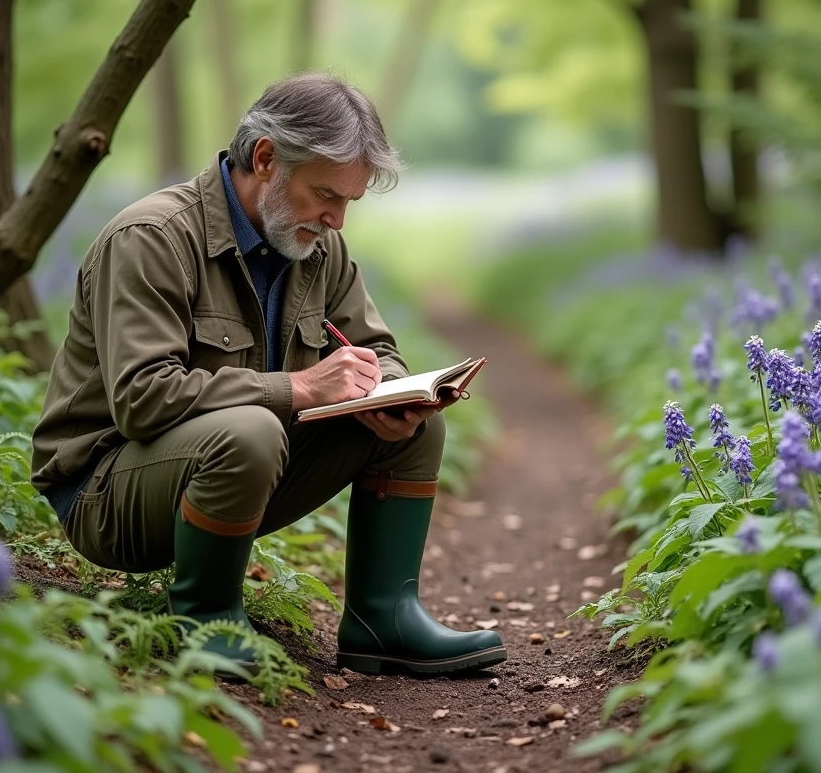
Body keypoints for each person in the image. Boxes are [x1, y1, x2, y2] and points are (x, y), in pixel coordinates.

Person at [29, 72, 506, 677]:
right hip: (108, 489)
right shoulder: (151, 239)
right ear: (265, 158)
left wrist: (390, 393)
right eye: (326, 194)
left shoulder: (315, 246)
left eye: (348, 203)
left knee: (417, 428)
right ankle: (206, 619)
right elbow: (143, 400)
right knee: (250, 431)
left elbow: (377, 348)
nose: (337, 220)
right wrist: (301, 388)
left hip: (234, 465)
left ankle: (382, 620)